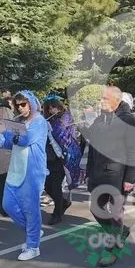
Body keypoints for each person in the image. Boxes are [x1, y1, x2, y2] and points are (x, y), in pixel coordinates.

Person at [84, 86, 135, 267]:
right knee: (96, 208)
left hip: (118, 174)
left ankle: (113, 248)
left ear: (116, 100)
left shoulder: (128, 119)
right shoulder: (100, 119)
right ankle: (119, 232)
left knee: (116, 213)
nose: (101, 102)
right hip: (98, 173)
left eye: (104, 99)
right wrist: (88, 173)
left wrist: (130, 179)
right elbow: (92, 150)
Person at [0, 91, 49, 261]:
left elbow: (25, 139)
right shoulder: (18, 122)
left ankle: (33, 246)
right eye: (17, 105)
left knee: (30, 209)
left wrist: (6, 131)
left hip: (32, 171)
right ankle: (33, 230)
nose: (20, 108)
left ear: (31, 104)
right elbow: (8, 144)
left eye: (23, 104)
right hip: (16, 169)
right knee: (8, 205)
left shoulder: (39, 121)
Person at [43, 95, 81, 225]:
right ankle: (63, 203)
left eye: (53, 106)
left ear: (59, 106)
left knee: (55, 186)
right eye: (49, 108)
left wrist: (51, 127)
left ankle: (57, 213)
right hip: (49, 157)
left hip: (63, 157)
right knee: (47, 186)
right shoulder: (47, 119)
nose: (51, 110)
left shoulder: (66, 117)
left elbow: (64, 134)